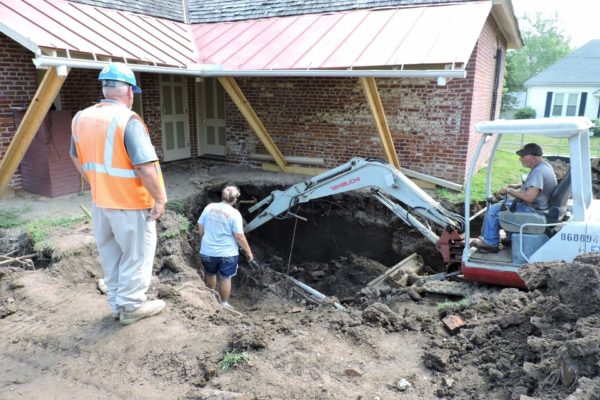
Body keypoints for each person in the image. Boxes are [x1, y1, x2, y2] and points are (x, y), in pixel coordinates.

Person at [70, 62, 167, 325]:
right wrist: (159, 199)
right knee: (137, 255)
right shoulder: (128, 120)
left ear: (104, 89)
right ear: (129, 92)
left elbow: (76, 157)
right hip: (131, 203)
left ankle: (116, 304)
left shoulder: (81, 118)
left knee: (111, 254)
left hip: (101, 202)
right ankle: (132, 306)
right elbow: (145, 167)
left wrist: (97, 182)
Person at [472, 143, 557, 253]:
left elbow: (529, 197)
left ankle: (490, 243)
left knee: (494, 210)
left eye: (523, 156)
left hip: (534, 210)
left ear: (533, 158)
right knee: (505, 205)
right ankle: (510, 238)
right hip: (542, 206)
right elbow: (535, 186)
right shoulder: (544, 166)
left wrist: (509, 190)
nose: (520, 159)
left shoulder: (538, 172)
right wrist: (517, 186)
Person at [197, 186, 253, 310]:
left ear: (222, 196)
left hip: (208, 251)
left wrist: (203, 239)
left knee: (210, 274)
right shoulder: (234, 214)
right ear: (235, 200)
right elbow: (239, 236)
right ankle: (223, 303)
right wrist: (248, 251)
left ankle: (210, 298)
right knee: (225, 278)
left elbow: (200, 225)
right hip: (228, 254)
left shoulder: (209, 207)